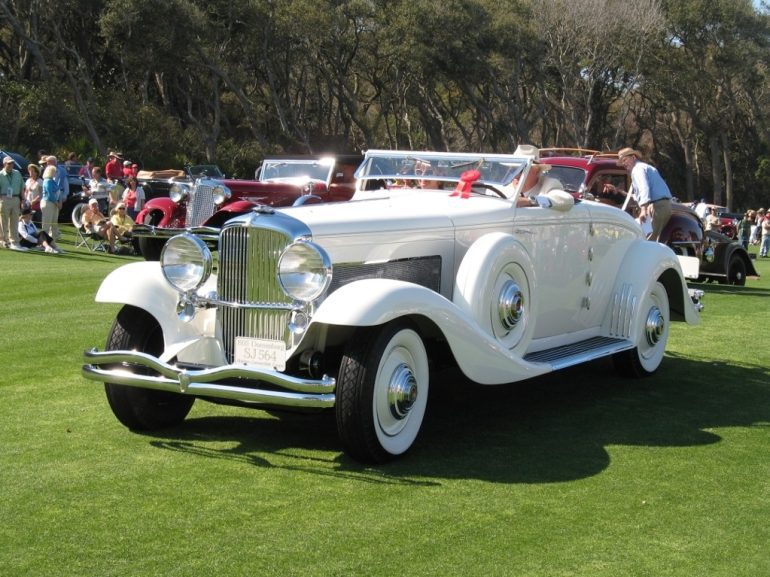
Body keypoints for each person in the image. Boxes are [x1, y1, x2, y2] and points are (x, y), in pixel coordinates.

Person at [617, 147, 673, 242]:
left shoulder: (637, 169)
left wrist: (643, 209)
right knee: (648, 238)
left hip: (657, 206)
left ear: (633, 157)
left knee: (647, 240)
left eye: (625, 160)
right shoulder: (642, 168)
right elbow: (639, 194)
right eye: (622, 162)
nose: (624, 164)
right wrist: (618, 191)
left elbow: (644, 188)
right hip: (658, 205)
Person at [0, 155, 24, 249]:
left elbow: (22, 187)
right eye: (9, 163)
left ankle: (14, 241)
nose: (11, 165)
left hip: (15, 198)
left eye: (12, 163)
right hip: (4, 198)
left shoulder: (17, 173)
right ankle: (3, 240)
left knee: (15, 221)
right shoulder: (0, 174)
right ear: (4, 164)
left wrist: (23, 199)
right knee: (3, 221)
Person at [40, 164, 61, 239]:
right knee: (47, 224)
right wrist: (57, 203)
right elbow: (50, 194)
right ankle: (43, 241)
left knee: (54, 223)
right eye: (55, 171)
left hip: (54, 204)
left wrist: (58, 202)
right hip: (48, 203)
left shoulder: (52, 181)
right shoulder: (47, 181)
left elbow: (58, 191)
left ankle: (52, 241)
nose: (56, 173)